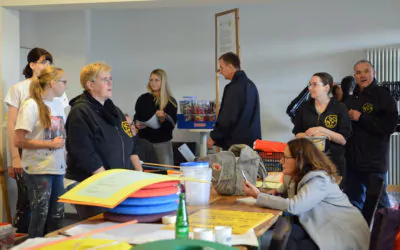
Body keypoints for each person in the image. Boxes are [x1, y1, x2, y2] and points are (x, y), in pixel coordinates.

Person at [243, 138, 370, 250]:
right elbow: (284, 190)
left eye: (285, 157)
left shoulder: (319, 180)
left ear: (300, 160)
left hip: (341, 235)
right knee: (287, 235)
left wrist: (258, 196)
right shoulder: (298, 177)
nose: (281, 161)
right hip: (321, 226)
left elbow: (294, 206)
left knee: (287, 239)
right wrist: (276, 192)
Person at [65, 62, 143, 219]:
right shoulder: (80, 112)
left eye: (111, 79)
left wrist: (139, 173)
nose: (110, 83)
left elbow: (130, 141)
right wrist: (108, 183)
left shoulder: (116, 111)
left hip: (118, 184)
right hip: (94, 186)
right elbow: (84, 153)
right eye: (105, 79)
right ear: (90, 85)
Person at [4, 47, 68, 233]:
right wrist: (14, 158)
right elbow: (16, 134)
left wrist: (63, 155)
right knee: (36, 212)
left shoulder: (57, 102)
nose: (66, 86)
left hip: (56, 165)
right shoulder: (28, 102)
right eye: (43, 61)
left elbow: (60, 132)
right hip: (37, 166)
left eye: (49, 61)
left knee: (56, 215)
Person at [344, 60, 398, 210]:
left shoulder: (382, 95)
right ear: (354, 76)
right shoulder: (351, 99)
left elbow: (390, 125)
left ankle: (385, 233)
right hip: (353, 162)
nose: (362, 75)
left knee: (379, 204)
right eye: (358, 72)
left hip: (374, 162)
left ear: (374, 73)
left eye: (366, 71)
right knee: (353, 203)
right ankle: (359, 233)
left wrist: (361, 117)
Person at [293, 72, 352, 185]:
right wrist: (310, 135)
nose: (310, 88)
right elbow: (297, 134)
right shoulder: (305, 107)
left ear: (326, 87)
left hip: (334, 162)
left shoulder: (339, 107)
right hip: (309, 162)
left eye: (315, 84)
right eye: (310, 84)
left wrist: (323, 130)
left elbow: (343, 139)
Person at [207, 52, 261, 150]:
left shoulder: (233, 88)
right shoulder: (251, 85)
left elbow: (227, 117)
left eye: (222, 67)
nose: (220, 71)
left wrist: (214, 136)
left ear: (230, 66)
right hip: (252, 143)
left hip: (236, 145)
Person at [134, 69, 177, 165]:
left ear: (163, 82)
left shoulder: (170, 101)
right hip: (144, 143)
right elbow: (136, 116)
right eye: (151, 80)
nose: (153, 83)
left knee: (166, 174)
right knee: (145, 175)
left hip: (162, 144)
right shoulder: (142, 99)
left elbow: (171, 126)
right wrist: (137, 124)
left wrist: (162, 119)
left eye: (156, 80)